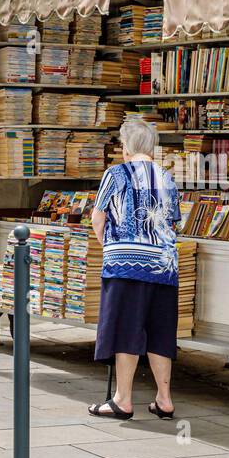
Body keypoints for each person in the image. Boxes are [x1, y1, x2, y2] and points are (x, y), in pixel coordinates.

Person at [87, 117, 182, 421]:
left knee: (126, 329)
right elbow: (172, 222)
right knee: (160, 332)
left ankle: (122, 400)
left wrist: (110, 248)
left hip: (125, 266)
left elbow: (97, 218)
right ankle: (164, 399)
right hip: (164, 267)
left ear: (126, 147)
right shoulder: (167, 178)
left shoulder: (115, 174)